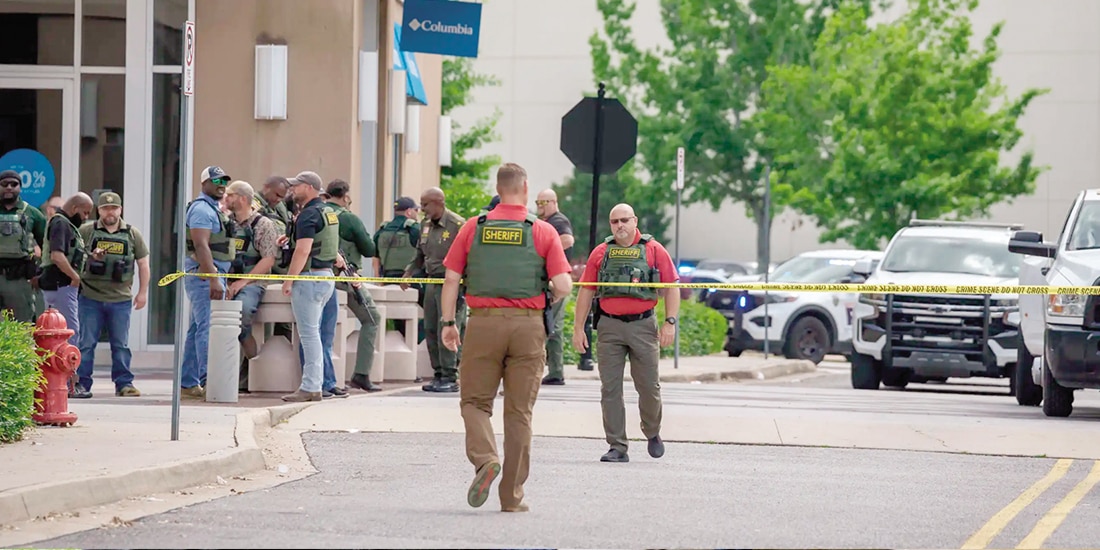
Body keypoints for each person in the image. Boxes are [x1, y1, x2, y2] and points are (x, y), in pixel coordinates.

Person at [440, 162, 572, 512]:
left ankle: (485, 460)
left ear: (498, 190)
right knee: (519, 414)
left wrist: (448, 323)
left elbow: (451, 279)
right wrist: (546, 300)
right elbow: (563, 285)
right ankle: (511, 498)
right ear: (526, 189)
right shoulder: (542, 231)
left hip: (482, 324)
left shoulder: (472, 228)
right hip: (528, 328)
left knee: (474, 403)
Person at [572, 203, 680, 463]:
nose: (619, 225)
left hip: (643, 326)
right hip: (609, 326)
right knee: (610, 389)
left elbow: (671, 286)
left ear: (635, 221)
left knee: (649, 387)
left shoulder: (653, 250)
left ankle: (652, 431)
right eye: (614, 221)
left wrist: (670, 322)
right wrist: (578, 328)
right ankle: (617, 446)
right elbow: (586, 290)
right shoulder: (601, 252)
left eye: (624, 220)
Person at [74, 192, 149, 398]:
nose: (110, 212)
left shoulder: (133, 234)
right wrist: (91, 257)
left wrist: (142, 293)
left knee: (121, 345)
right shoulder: (87, 231)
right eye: (106, 208)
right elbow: (73, 255)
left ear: (120, 210)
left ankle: (124, 383)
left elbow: (143, 264)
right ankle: (82, 383)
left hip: (121, 299)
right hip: (90, 297)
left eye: (114, 208)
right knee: (86, 344)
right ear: (99, 210)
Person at [280, 170, 340, 403]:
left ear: (309, 187)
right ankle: (315, 384)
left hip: (310, 277)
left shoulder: (308, 214)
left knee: (309, 334)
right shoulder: (329, 212)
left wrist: (289, 279)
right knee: (315, 333)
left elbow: (304, 250)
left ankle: (311, 386)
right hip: (326, 276)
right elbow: (328, 244)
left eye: (296, 185)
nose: (292, 190)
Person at [180, 165, 236, 399]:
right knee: (207, 328)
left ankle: (188, 383)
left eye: (224, 181)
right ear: (204, 184)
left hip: (210, 274)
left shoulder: (214, 209)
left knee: (196, 329)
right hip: (205, 275)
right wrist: (213, 277)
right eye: (216, 181)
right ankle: (209, 381)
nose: (221, 185)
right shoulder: (202, 210)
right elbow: (201, 245)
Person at [405, 187, 466, 392]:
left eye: (425, 204)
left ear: (439, 202)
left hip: (451, 284)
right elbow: (418, 255)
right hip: (432, 281)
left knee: (446, 327)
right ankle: (438, 373)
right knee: (430, 328)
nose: (422, 209)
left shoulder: (457, 225)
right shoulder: (425, 225)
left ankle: (450, 374)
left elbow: (468, 256)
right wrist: (408, 273)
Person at [325, 179, 383, 392]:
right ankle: (361, 374)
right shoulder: (348, 218)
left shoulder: (317, 212)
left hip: (317, 277)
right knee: (372, 318)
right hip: (345, 277)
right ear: (346, 196)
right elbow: (369, 249)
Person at [223, 181, 280, 393]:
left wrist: (243, 281)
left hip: (253, 282)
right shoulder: (225, 223)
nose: (225, 198)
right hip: (226, 282)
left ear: (243, 199)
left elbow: (268, 260)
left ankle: (251, 366)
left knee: (241, 314)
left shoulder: (263, 225)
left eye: (230, 195)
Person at [39, 192, 93, 351]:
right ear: (75, 208)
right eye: (85, 212)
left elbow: (69, 254)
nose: (86, 217)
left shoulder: (66, 224)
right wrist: (75, 277)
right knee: (68, 332)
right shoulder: (60, 224)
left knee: (61, 332)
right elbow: (57, 256)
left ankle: (64, 373)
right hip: (60, 284)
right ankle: (67, 373)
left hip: (60, 285)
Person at [535, 188, 575, 385]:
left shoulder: (558, 221)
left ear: (553, 202)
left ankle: (556, 371)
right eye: (537, 203)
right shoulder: (546, 222)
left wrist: (546, 248)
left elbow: (568, 240)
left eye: (543, 203)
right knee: (547, 325)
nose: (539, 207)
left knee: (553, 326)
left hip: (556, 281)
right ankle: (554, 370)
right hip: (551, 280)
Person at [0, 170, 47, 323]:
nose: (9, 187)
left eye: (14, 184)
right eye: (4, 184)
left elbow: (46, 246)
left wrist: (41, 274)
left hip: (19, 279)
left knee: (22, 325)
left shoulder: (33, 214)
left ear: (20, 187)